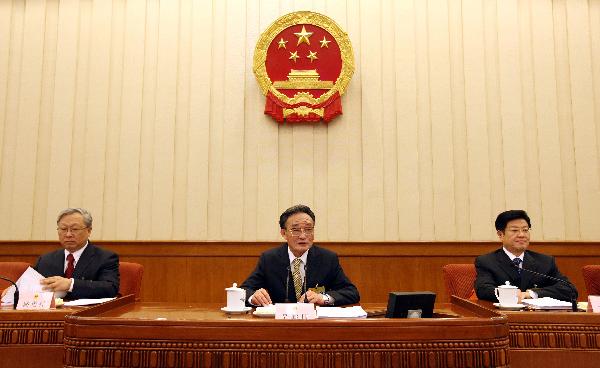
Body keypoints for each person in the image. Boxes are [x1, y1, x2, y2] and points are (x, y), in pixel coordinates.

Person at [240, 204, 360, 306]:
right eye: (296, 230)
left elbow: (351, 292)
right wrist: (253, 297)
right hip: (280, 324)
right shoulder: (270, 259)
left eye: (308, 229)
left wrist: (323, 298)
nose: (303, 236)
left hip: (316, 324)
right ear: (283, 233)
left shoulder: (327, 258)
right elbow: (243, 291)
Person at [2, 208, 120, 300]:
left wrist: (70, 284)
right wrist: (14, 290)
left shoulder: (105, 258)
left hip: (85, 318)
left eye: (74, 229)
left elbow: (110, 288)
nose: (68, 234)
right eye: (63, 229)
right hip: (49, 317)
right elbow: (32, 284)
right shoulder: (46, 259)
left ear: (89, 231)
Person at [474, 210, 576, 302]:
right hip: (505, 317)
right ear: (501, 235)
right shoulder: (487, 261)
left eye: (525, 230)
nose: (522, 235)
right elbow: (483, 290)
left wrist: (531, 294)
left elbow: (569, 289)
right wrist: (512, 294)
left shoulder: (545, 261)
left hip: (539, 319)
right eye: (515, 230)